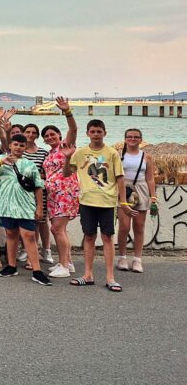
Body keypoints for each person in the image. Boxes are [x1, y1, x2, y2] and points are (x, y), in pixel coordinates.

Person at [0, 133, 50, 286]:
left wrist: (40, 207)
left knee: (29, 236)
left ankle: (37, 271)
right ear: (10, 146)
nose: (18, 147)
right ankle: (12, 266)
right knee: (11, 235)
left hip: (26, 205)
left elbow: (38, 186)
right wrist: (0, 162)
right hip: (6, 205)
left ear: (25, 147)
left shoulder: (29, 164)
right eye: (15, 144)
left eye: (21, 145)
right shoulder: (0, 160)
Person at [67, 120, 127, 292]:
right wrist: (67, 157)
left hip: (107, 201)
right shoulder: (80, 153)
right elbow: (67, 173)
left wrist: (123, 202)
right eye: (92, 131)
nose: (95, 134)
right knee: (89, 237)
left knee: (107, 237)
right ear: (87, 133)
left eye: (99, 131)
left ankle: (110, 278)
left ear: (104, 133)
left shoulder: (112, 153)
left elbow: (120, 178)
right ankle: (88, 275)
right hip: (87, 201)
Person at [41, 97, 78, 278]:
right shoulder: (49, 154)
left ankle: (64, 265)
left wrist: (67, 112)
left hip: (66, 192)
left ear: (59, 135)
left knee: (57, 228)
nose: (50, 137)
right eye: (46, 136)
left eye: (52, 134)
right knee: (58, 229)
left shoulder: (65, 146)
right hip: (53, 195)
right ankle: (67, 262)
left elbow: (73, 129)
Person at [118, 128, 155, 274]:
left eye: (136, 137)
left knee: (139, 226)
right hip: (123, 189)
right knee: (124, 227)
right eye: (130, 136)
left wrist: (153, 197)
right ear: (125, 139)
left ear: (140, 139)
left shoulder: (146, 157)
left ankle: (137, 259)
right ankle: (122, 257)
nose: (133, 139)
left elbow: (150, 178)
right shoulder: (119, 155)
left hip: (141, 189)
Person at [21, 122, 52, 265]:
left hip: (39, 192)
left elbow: (48, 173)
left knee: (39, 222)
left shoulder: (43, 152)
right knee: (26, 222)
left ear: (37, 136)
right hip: (23, 193)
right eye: (27, 132)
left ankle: (41, 251)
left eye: (34, 132)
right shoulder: (20, 152)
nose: (30, 134)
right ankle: (27, 250)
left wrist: (35, 177)